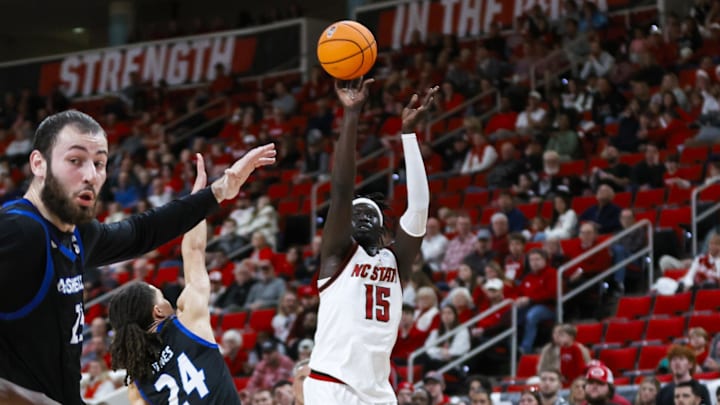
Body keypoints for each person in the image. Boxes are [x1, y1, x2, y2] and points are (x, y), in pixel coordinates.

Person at [0, 110, 276, 404]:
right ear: (38, 164)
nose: (91, 175)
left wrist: (219, 191)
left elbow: (141, 231)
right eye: (75, 161)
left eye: (100, 163)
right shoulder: (18, 232)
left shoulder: (79, 234)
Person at [304, 80, 434, 404]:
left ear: (382, 228)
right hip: (330, 384)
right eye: (356, 213)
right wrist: (351, 115)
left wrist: (408, 136)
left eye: (370, 214)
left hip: (377, 393)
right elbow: (342, 189)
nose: (361, 217)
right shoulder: (336, 255)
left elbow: (418, 208)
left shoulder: (396, 261)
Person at [107, 159, 249, 404]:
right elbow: (194, 251)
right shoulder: (189, 322)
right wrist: (199, 201)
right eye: (161, 294)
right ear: (158, 310)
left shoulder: (137, 386)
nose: (166, 298)